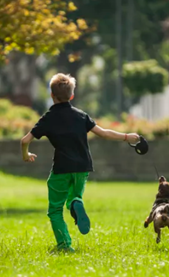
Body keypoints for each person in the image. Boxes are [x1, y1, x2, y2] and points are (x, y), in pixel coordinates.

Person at [20, 73, 140, 252]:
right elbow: (104, 133)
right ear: (72, 95)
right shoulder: (81, 116)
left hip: (61, 168)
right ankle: (76, 201)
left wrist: (25, 154)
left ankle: (64, 245)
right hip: (83, 167)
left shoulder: (48, 118)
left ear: (52, 95)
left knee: (55, 210)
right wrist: (127, 137)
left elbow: (24, 140)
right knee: (74, 199)